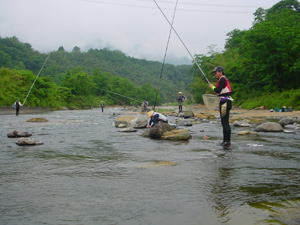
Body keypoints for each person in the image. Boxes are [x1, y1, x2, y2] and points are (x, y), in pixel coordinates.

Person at [209, 66, 233, 149]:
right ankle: (226, 141)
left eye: (215, 73)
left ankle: (227, 141)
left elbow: (218, 90)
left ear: (220, 72)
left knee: (225, 122)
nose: (215, 74)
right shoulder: (222, 79)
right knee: (224, 122)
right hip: (225, 102)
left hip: (225, 102)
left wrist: (212, 87)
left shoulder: (222, 79)